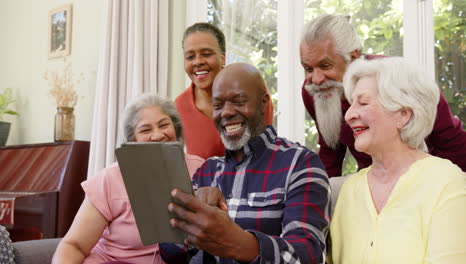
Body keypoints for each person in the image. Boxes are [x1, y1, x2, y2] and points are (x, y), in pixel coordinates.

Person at [162, 63, 330, 263]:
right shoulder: (207, 170)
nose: (225, 113)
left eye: (239, 101)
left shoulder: (301, 164)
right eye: (218, 105)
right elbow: (168, 252)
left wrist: (239, 242)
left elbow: (308, 255)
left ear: (263, 103)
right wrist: (186, 223)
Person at [329, 57, 466, 263]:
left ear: (403, 114)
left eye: (363, 103)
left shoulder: (447, 182)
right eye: (351, 104)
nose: (349, 115)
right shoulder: (347, 191)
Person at [300, 14, 466, 177]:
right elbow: (331, 150)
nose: (316, 79)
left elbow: (451, 142)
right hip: (373, 180)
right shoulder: (316, 92)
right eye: (308, 68)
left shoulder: (400, 80)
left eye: (326, 65)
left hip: (428, 176)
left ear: (353, 56)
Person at [52, 94, 205, 264]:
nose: (158, 135)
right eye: (146, 130)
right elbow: (74, 245)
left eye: (164, 125)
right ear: (133, 139)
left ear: (175, 129)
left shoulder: (199, 169)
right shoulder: (110, 179)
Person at [176, 22, 274, 160]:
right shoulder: (180, 106)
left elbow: (264, 149)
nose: (197, 62)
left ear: (223, 58)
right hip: (206, 181)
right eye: (190, 57)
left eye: (206, 54)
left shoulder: (254, 90)